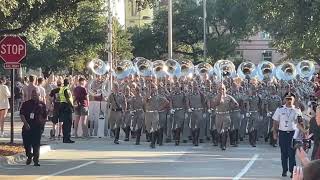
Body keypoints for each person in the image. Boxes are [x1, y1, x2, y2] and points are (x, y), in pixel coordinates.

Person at [273, 92, 302, 178]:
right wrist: (275, 132)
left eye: (291, 99)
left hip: (292, 134)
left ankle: (292, 171)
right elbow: (275, 121)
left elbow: (300, 122)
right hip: (282, 133)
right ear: (284, 99)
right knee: (284, 153)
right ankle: (284, 170)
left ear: (294, 100)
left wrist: (302, 133)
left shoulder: (297, 110)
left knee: (292, 153)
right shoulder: (280, 109)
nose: (289, 101)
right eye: (287, 99)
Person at [20, 89, 47, 166]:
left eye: (35, 94)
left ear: (39, 95)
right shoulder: (26, 104)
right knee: (26, 143)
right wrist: (25, 123)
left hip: (37, 127)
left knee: (36, 144)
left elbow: (45, 117)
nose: (34, 96)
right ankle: (29, 155)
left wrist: (43, 126)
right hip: (27, 126)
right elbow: (22, 114)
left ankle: (36, 160)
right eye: (33, 94)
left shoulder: (42, 104)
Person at [59, 79, 75, 143]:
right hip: (67, 107)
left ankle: (65, 138)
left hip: (62, 106)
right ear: (68, 83)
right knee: (68, 123)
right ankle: (67, 138)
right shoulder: (66, 89)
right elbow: (68, 99)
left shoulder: (61, 89)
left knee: (65, 123)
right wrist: (72, 106)